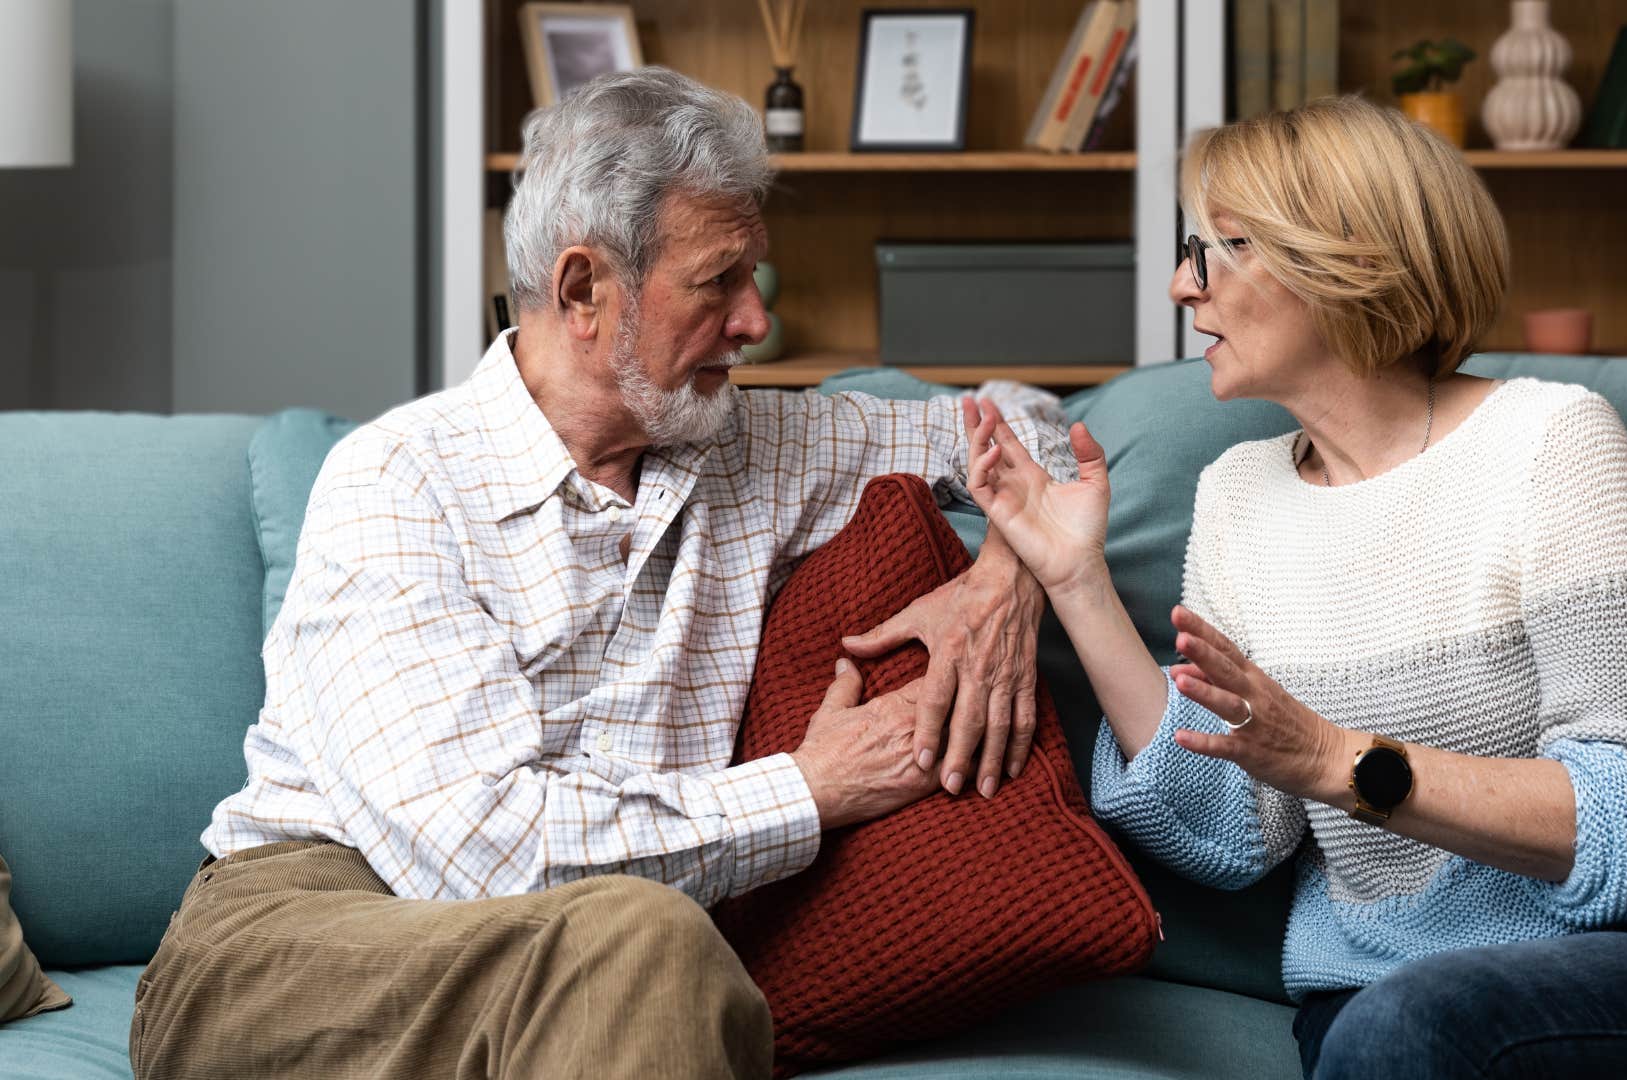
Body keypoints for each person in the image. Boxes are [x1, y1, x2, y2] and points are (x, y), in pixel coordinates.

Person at [129, 67, 1074, 1080]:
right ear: (584, 292)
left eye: (756, 277)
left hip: (599, 963)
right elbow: (480, 857)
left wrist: (1004, 582)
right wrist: (811, 788)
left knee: (648, 951)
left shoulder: (754, 446)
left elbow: (1030, 425)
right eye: (719, 281)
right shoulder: (403, 480)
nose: (755, 323)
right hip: (304, 934)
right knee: (655, 945)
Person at [960, 96, 1627, 1079]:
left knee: (1404, 1031)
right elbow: (1234, 829)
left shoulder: (1549, 442)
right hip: (1373, 998)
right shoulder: (1239, 493)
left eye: (1216, 247)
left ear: (1338, 259)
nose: (1180, 285)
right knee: (1389, 1027)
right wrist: (1077, 583)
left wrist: (1341, 761)